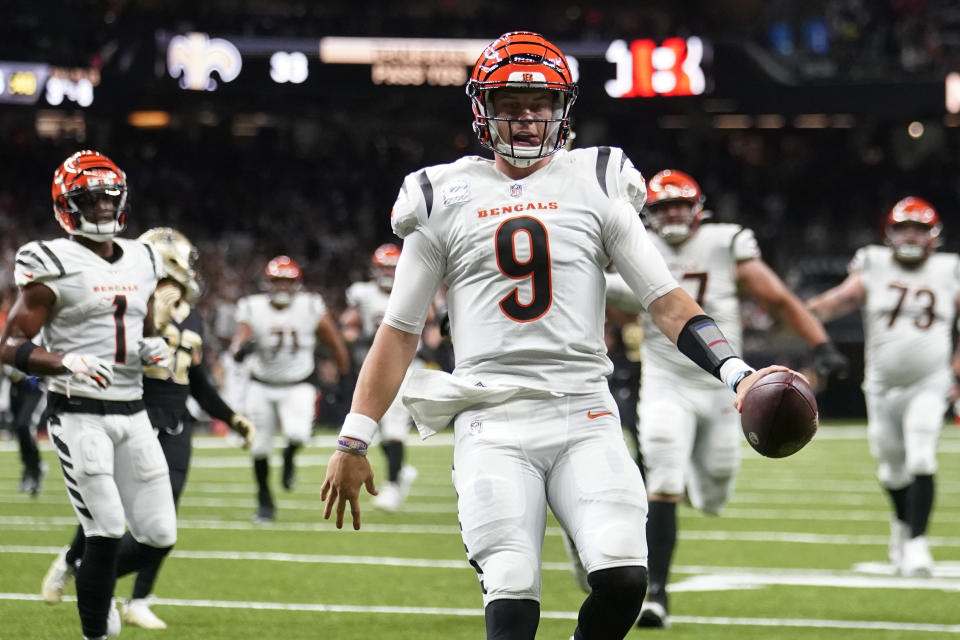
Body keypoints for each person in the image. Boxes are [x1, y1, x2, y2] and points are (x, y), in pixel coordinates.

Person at [319, 32, 802, 640]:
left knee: (626, 574)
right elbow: (398, 331)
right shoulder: (441, 195)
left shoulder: (597, 179)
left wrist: (738, 373)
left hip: (584, 410)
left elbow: (668, 301)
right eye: (509, 104)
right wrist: (355, 440)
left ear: (562, 109)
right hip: (491, 417)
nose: (525, 119)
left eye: (539, 103)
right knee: (513, 584)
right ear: (482, 110)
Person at [596, 169, 849, 627]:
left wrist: (821, 345)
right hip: (665, 383)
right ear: (649, 213)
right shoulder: (634, 243)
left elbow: (778, 299)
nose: (672, 213)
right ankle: (657, 595)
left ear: (699, 209)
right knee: (664, 478)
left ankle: (685, 480)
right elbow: (599, 295)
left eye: (679, 204)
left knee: (712, 493)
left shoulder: (725, 242)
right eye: (663, 205)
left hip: (724, 388)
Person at [40, 226, 256, 630]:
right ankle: (75, 564)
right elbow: (110, 356)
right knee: (109, 513)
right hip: (133, 413)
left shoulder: (191, 313)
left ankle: (135, 596)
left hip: (176, 422)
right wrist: (150, 317)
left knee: (160, 522)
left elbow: (197, 378)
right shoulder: (125, 299)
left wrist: (231, 417)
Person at [0, 150, 177, 640]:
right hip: (79, 413)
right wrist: (65, 361)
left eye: (109, 197)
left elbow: (137, 327)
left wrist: (151, 349)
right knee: (105, 531)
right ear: (66, 205)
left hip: (135, 409)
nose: (102, 207)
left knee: (160, 534)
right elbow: (9, 346)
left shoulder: (143, 257)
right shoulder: (50, 260)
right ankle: (95, 630)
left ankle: (83, 577)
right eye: (90, 198)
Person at [808, 196, 960, 578]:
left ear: (933, 235)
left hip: (930, 381)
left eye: (918, 229)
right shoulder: (873, 264)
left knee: (922, 456)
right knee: (891, 470)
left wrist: (957, 372)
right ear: (890, 233)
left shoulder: (948, 269)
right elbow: (839, 300)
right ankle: (903, 525)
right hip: (880, 386)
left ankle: (917, 545)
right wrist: (799, 315)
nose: (910, 236)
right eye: (904, 228)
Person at [231, 255, 350, 522]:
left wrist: (343, 377)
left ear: (296, 284)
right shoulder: (252, 307)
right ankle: (264, 501)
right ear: (268, 283)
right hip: (261, 384)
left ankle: (288, 456)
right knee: (259, 447)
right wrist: (240, 350)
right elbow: (239, 341)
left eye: (288, 282)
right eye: (277, 281)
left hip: (298, 383)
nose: (282, 287)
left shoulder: (309, 306)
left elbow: (335, 342)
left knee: (298, 435)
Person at [341, 243, 420, 512]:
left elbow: (431, 323)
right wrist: (358, 338)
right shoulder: (362, 294)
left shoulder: (415, 287)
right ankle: (401, 471)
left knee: (394, 426)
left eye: (391, 267)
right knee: (376, 428)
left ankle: (393, 487)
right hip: (373, 364)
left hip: (405, 364)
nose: (387, 272)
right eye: (382, 267)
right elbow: (348, 327)